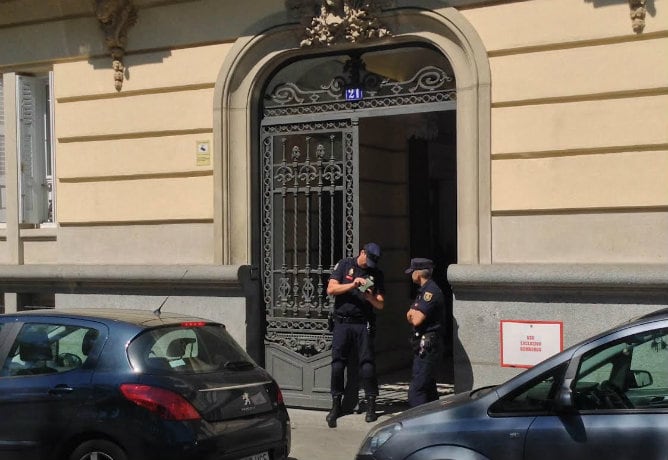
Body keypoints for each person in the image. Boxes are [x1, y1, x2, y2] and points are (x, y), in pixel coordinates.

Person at [325, 242, 385, 428]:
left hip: (362, 323)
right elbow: (331, 289)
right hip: (342, 322)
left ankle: (371, 405)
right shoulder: (344, 265)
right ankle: (336, 405)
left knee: (367, 365)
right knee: (337, 365)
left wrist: (369, 297)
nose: (369, 266)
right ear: (362, 253)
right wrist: (352, 284)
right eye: (368, 260)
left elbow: (381, 304)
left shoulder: (377, 274)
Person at [405, 257, 445, 407]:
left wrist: (413, 313)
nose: (410, 275)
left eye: (412, 272)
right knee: (428, 387)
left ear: (418, 273)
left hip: (429, 346)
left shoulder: (430, 292)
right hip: (423, 344)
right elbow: (409, 313)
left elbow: (415, 319)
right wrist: (412, 313)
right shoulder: (423, 291)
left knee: (417, 389)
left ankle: (417, 423)